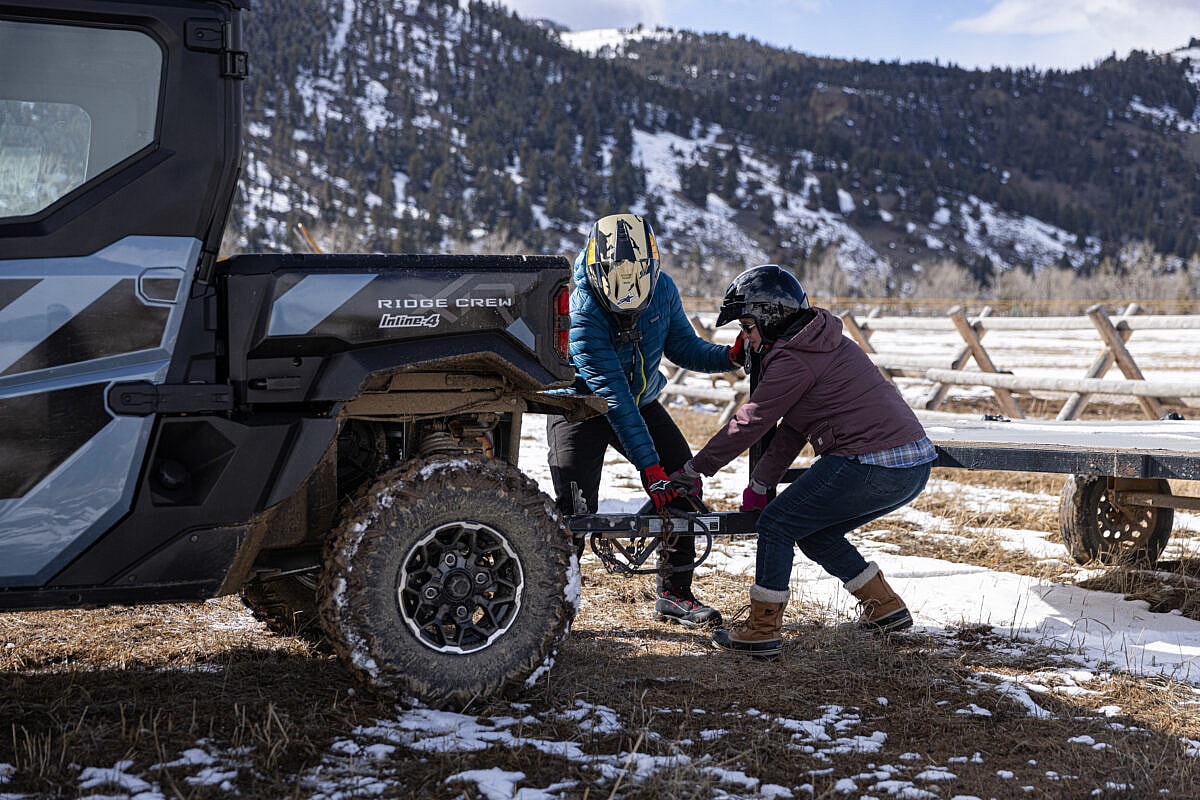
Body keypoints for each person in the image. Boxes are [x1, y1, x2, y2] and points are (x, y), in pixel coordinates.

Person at [670, 264, 936, 656]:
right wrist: (761, 482)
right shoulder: (818, 343)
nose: (745, 337)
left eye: (747, 325)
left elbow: (751, 422)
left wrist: (694, 470)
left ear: (770, 318)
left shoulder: (793, 359)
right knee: (814, 531)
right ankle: (885, 608)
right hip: (910, 465)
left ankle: (762, 629)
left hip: (870, 461)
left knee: (777, 523)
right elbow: (793, 428)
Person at [547, 212, 746, 627]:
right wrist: (648, 469)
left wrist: (727, 357)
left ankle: (675, 595)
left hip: (640, 400)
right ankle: (554, 607)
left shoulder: (663, 289)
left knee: (682, 482)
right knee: (575, 510)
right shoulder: (581, 306)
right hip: (581, 407)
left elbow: (683, 346)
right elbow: (612, 397)